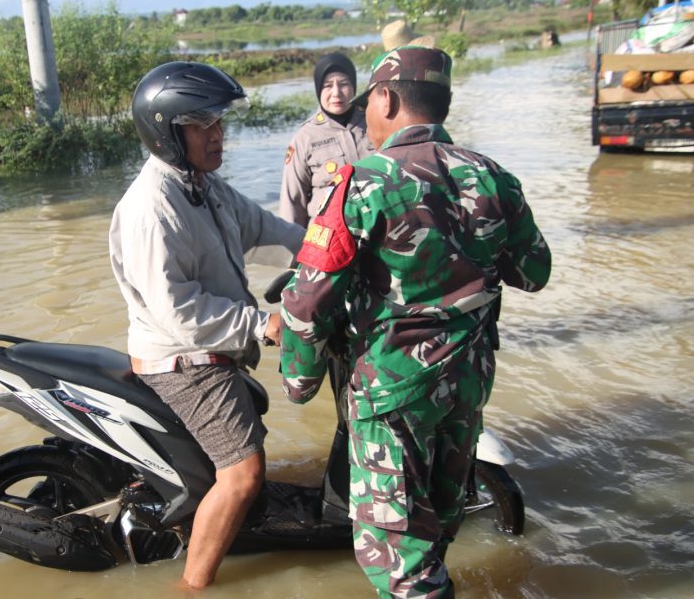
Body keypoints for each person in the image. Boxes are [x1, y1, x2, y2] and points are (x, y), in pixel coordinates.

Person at [279, 46, 551, 598]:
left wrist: (299, 383)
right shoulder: (495, 176)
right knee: (437, 531)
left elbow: (306, 302)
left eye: (367, 100)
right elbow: (534, 271)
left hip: (392, 391)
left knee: (400, 562)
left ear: (385, 98)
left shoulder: (360, 184)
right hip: (468, 383)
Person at [109, 61, 305, 590]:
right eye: (203, 125)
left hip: (209, 346)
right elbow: (180, 310)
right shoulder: (153, 207)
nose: (219, 135)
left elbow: (263, 227)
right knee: (243, 473)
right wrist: (263, 324)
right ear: (169, 132)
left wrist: (322, 249)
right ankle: (192, 586)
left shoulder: (203, 186)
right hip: (182, 358)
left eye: (220, 122)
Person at [278, 52, 373, 227]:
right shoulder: (304, 138)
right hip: (329, 242)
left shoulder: (374, 122)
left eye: (344, 84)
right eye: (328, 86)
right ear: (317, 89)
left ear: (354, 86)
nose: (336, 92)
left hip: (377, 236)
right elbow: (292, 204)